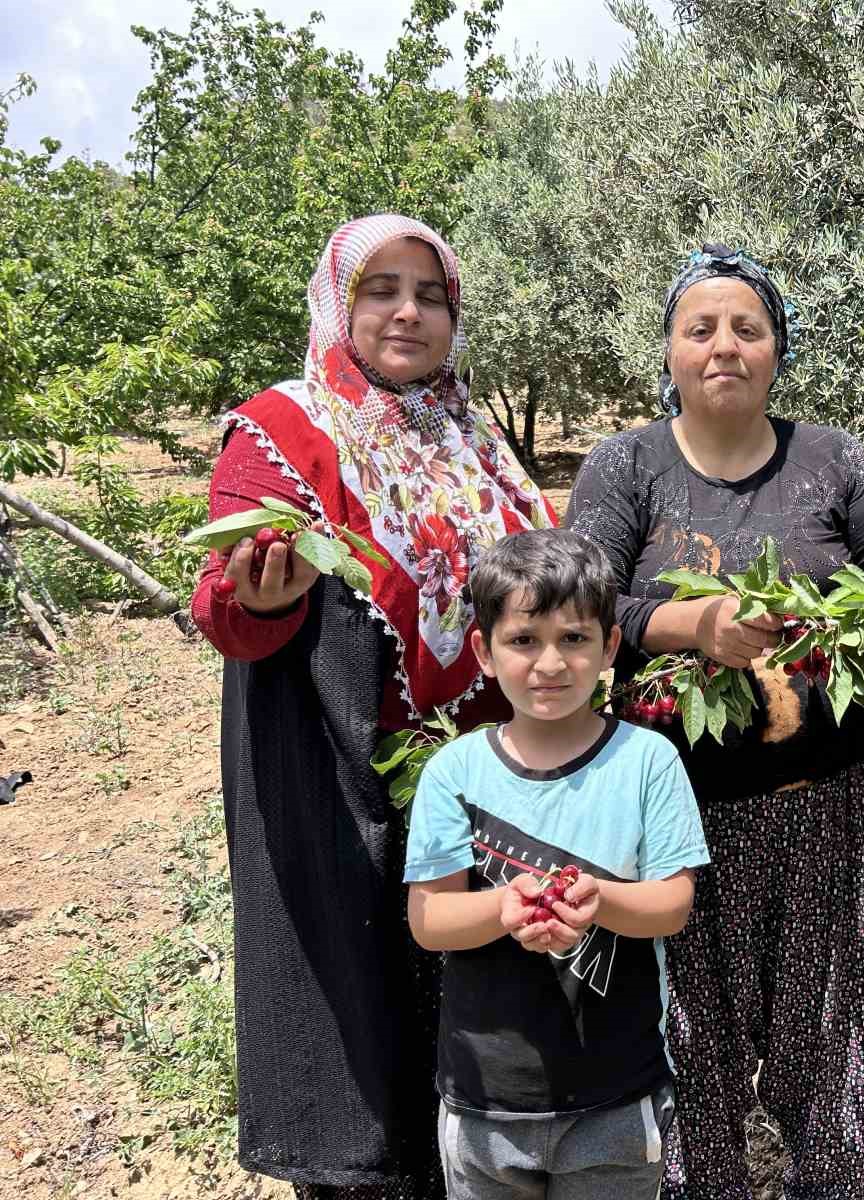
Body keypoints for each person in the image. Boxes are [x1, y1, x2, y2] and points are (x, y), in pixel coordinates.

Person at [190, 214, 557, 1199]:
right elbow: (225, 609)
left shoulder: (474, 442)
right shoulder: (284, 430)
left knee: (481, 1051)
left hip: (484, 796)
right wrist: (255, 600)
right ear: (336, 303)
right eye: (380, 290)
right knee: (364, 1047)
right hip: (345, 793)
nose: (407, 312)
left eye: (429, 294)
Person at [564, 243, 864, 1200]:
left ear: (778, 349)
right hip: (676, 819)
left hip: (823, 809)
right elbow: (580, 609)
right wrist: (690, 625)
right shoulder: (624, 466)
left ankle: (827, 1184)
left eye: (747, 328)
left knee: (826, 1040)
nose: (724, 345)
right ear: (668, 351)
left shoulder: (832, 460)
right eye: (700, 328)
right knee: (691, 1049)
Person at [404, 528, 709, 1200]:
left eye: (574, 639)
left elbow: (674, 902)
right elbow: (429, 918)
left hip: (615, 1097)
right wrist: (501, 907)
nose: (550, 662)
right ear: (484, 651)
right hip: (487, 1105)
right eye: (524, 640)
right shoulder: (453, 772)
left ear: (609, 647)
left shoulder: (647, 762)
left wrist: (600, 900)